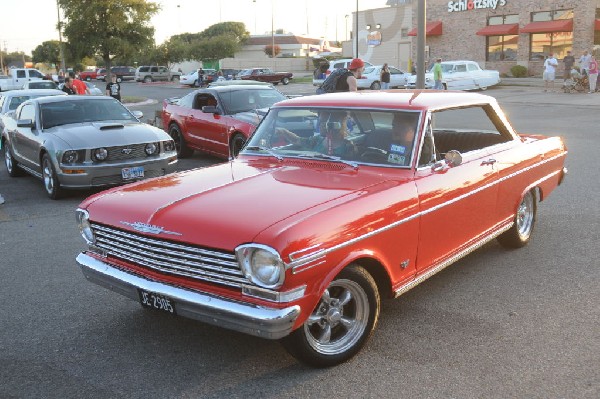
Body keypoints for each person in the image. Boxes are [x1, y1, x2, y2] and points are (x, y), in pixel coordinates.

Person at [275, 112, 357, 158]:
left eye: (324, 123)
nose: (320, 125)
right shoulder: (317, 140)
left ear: (335, 125)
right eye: (320, 122)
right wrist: (284, 131)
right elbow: (297, 140)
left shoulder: (348, 146)